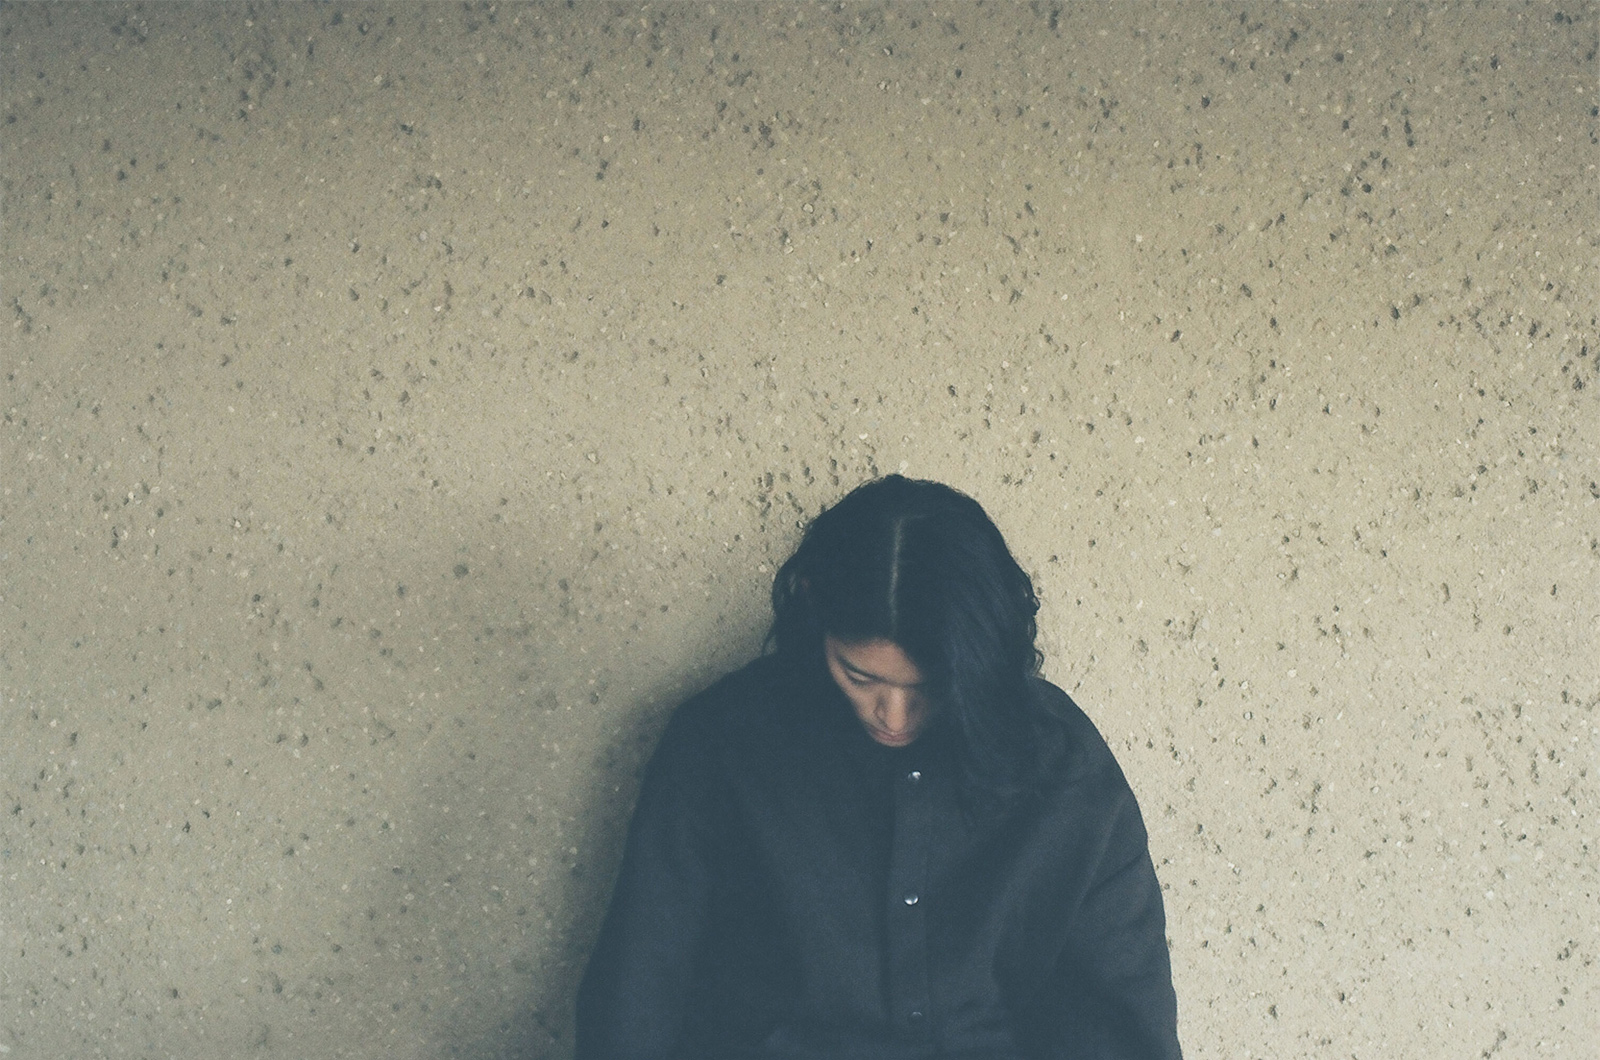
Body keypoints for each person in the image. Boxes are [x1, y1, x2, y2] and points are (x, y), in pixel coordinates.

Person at [577, 476, 1182, 1060]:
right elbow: (640, 984)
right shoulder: (722, 741)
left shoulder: (1059, 760)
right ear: (814, 610)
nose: (893, 715)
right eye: (859, 676)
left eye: (930, 686)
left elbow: (1121, 1010)